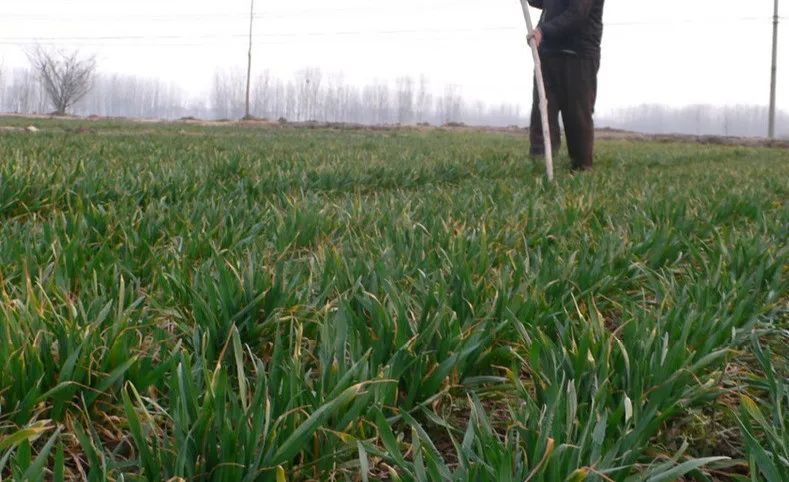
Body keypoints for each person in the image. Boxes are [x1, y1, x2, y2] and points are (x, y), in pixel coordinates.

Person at [527, 0, 605, 171]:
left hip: (578, 55)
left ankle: (581, 168)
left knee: (577, 115)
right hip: (548, 54)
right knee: (543, 110)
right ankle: (540, 164)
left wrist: (543, 31)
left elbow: (577, 14)